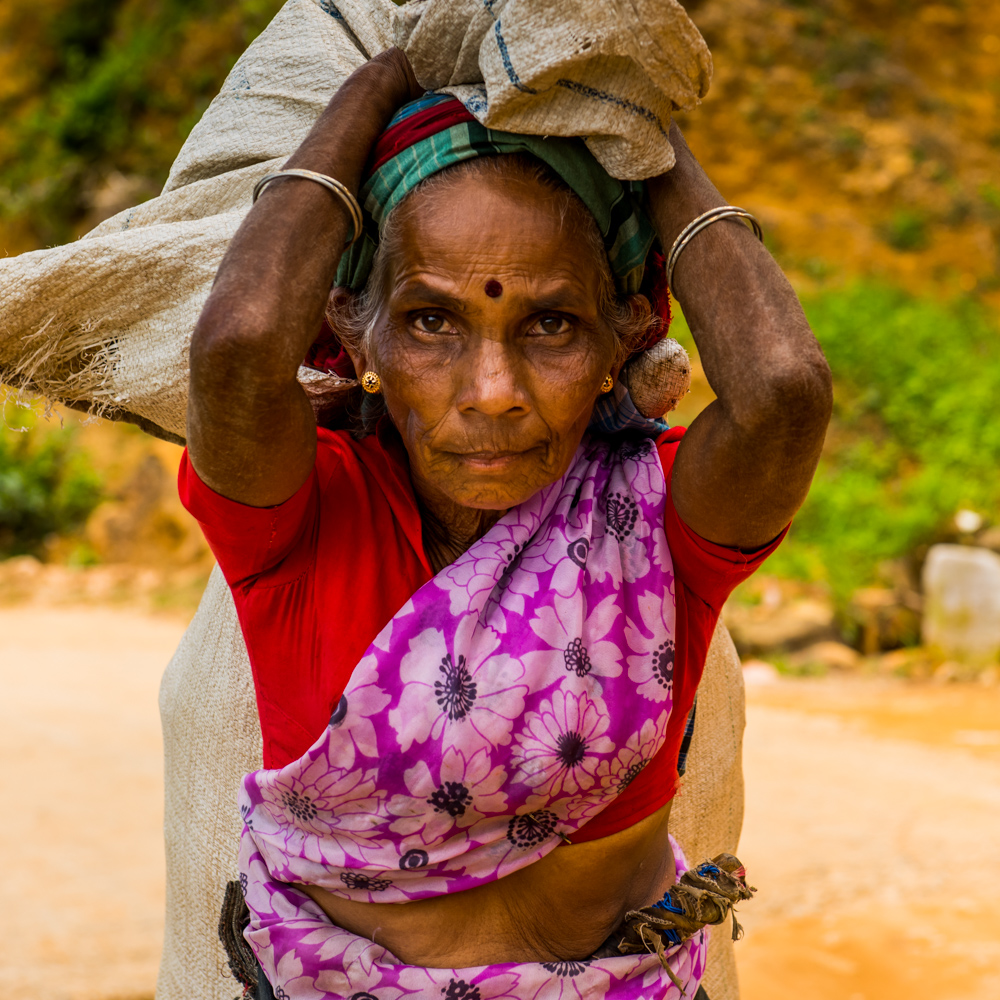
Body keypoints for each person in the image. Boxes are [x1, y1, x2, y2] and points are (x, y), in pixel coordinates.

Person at [181, 45, 831, 1000]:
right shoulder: (308, 518)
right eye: (432, 322)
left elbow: (781, 390)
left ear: (625, 334)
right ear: (357, 332)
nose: (492, 394)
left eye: (553, 325)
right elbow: (238, 348)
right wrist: (374, 84)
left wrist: (642, 131)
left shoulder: (653, 521)